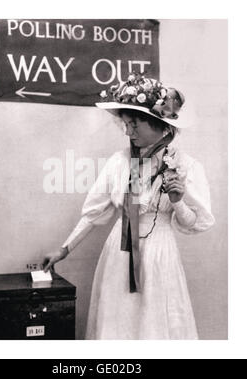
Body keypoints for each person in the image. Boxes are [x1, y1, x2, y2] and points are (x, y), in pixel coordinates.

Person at [43, 73, 215, 340]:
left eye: (134, 124)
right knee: (118, 322)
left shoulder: (186, 166)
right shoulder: (119, 162)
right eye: (125, 124)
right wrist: (65, 248)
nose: (128, 132)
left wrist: (178, 203)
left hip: (159, 255)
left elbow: (196, 223)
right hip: (119, 254)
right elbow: (94, 213)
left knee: (155, 325)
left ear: (159, 123)